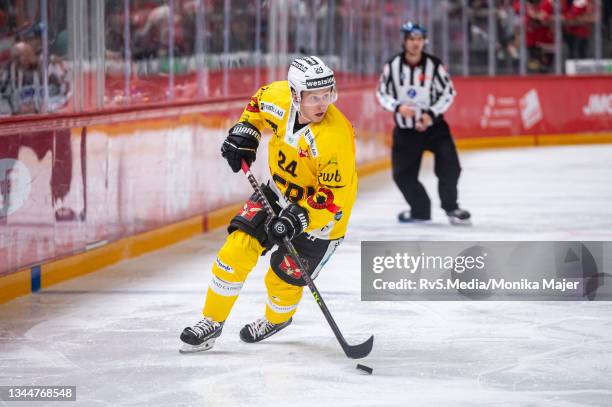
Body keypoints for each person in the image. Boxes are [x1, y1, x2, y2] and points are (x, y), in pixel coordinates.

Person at [180, 56, 358, 352]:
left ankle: (277, 319)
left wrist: (297, 219)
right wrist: (245, 132)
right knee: (236, 249)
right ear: (294, 93)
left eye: (327, 94)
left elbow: (332, 198)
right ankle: (210, 322)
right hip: (277, 194)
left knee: (283, 278)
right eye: (314, 97)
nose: (322, 103)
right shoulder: (276, 96)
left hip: (323, 221)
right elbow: (256, 106)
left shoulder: (336, 137)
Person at [376, 21, 470, 225]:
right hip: (406, 131)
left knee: (450, 165)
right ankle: (420, 210)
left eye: (419, 39)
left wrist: (431, 113)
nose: (415, 43)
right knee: (402, 176)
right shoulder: (392, 66)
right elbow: (382, 93)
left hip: (434, 128)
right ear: (404, 41)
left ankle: (451, 207)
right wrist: (398, 107)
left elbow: (448, 93)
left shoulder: (434, 65)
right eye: (411, 39)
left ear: (423, 41)